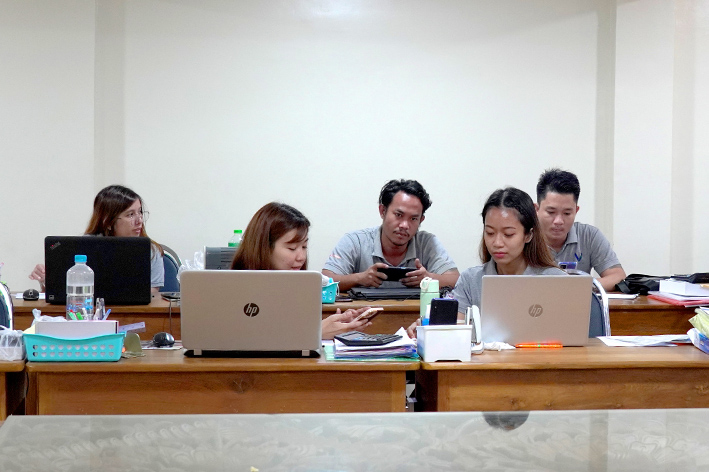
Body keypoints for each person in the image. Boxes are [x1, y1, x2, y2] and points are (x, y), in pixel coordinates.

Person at [408, 187, 565, 338]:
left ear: (528, 235)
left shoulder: (556, 280)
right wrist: (428, 330)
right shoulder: (471, 280)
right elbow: (453, 329)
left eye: (508, 234)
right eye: (490, 233)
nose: (497, 243)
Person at [231, 202, 372, 339]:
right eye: (292, 248)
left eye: (304, 247)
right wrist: (316, 333)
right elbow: (250, 340)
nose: (301, 257)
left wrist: (337, 325)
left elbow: (289, 332)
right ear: (264, 248)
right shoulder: (236, 290)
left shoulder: (295, 288)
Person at [323, 179, 459, 291]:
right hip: (364, 314)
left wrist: (428, 279)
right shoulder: (355, 241)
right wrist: (360, 278)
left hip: (414, 314)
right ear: (382, 211)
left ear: (421, 220)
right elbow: (324, 280)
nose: (404, 225)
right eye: (398, 215)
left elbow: (456, 279)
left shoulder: (427, 243)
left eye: (413, 219)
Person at [29, 185, 165, 294]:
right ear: (108, 221)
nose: (139, 220)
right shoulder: (84, 247)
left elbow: (151, 295)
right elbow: (63, 294)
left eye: (140, 212)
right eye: (130, 215)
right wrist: (46, 280)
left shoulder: (151, 251)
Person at [535, 168, 625, 292]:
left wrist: (579, 287)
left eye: (567, 213)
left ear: (576, 211)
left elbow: (618, 276)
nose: (558, 221)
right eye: (551, 212)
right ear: (537, 209)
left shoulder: (589, 236)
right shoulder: (524, 237)